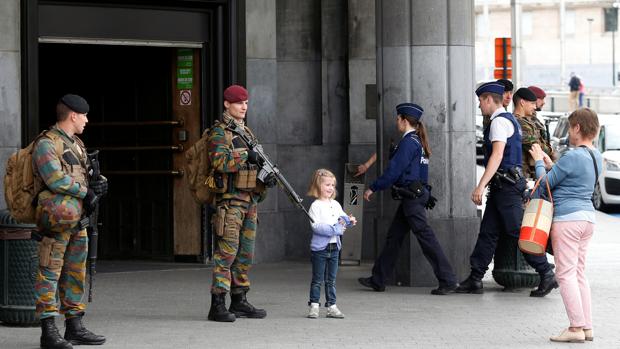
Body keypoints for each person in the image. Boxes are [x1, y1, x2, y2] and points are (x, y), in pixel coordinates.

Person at [455, 82, 557, 297]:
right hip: (505, 185)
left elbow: (498, 155)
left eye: (481, 101)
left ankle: (546, 273)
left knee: (518, 233)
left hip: (507, 187)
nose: (479, 105)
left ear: (489, 99)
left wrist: (480, 185)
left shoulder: (499, 123)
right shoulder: (510, 120)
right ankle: (475, 278)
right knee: (488, 233)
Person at [357, 103, 458, 295]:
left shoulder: (408, 143)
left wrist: (373, 187)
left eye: (398, 119)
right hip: (414, 196)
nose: (396, 122)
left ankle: (448, 280)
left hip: (411, 199)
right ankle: (378, 279)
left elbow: (393, 171)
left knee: (426, 239)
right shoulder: (417, 141)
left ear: (404, 121)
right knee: (394, 238)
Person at [33, 94, 107, 349]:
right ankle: (48, 330)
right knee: (50, 273)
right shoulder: (46, 143)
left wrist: (97, 184)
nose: (87, 120)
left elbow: (81, 176)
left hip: (78, 220)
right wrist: (85, 191)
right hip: (57, 220)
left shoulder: (76, 143)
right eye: (84, 115)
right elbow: (54, 179)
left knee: (75, 273)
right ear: (73, 115)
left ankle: (74, 326)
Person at [529, 108, 602, 343]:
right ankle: (587, 327)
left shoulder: (572, 156)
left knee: (565, 274)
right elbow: (569, 177)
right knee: (579, 273)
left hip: (567, 220)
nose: (569, 131)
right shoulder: (595, 155)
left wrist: (539, 161)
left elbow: (544, 184)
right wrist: (552, 164)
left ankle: (575, 328)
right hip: (587, 219)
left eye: (570, 127)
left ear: (577, 128)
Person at [207, 85, 269, 322]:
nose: (243, 106)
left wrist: (265, 175)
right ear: (226, 104)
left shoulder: (247, 132)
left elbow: (256, 162)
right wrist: (245, 155)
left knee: (245, 254)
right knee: (226, 254)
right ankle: (218, 303)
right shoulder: (220, 132)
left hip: (250, 201)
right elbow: (219, 162)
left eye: (245, 102)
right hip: (231, 204)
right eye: (238, 102)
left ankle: (239, 299)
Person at [306, 169, 356, 319]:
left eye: (332, 185)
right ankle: (314, 305)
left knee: (331, 279)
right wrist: (336, 229)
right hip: (319, 249)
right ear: (318, 186)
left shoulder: (335, 204)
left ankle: (331, 306)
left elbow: (342, 218)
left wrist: (349, 220)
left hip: (335, 247)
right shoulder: (315, 206)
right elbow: (316, 226)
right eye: (327, 184)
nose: (330, 188)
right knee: (317, 279)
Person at [513, 87, 555, 179]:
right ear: (522, 102)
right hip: (525, 174)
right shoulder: (518, 123)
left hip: (532, 172)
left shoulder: (528, 120)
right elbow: (537, 147)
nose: (535, 107)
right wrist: (550, 150)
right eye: (532, 103)